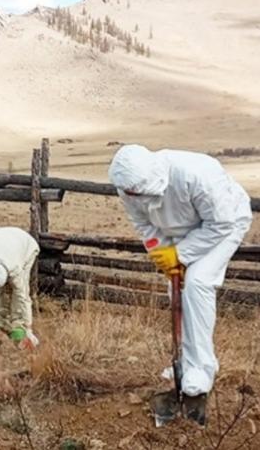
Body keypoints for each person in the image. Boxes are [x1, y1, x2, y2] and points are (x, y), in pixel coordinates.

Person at [108, 144, 252, 424]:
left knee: (197, 283)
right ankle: (183, 364)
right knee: (176, 286)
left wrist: (181, 255)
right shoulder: (128, 185)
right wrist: (162, 253)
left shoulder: (196, 174)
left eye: (138, 192)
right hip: (177, 232)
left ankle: (202, 371)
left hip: (224, 225)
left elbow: (220, 223)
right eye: (131, 193)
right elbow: (144, 225)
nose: (133, 197)